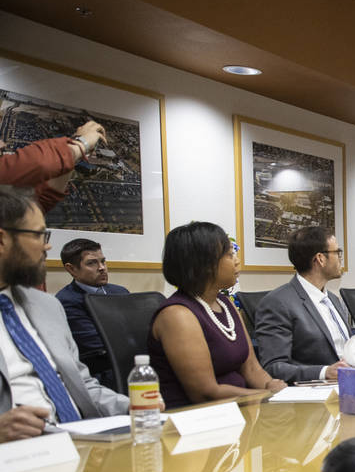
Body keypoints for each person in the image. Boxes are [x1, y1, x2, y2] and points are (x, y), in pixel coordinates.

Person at [0, 185, 127, 442]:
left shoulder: (47, 306)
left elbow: (81, 384)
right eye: (38, 235)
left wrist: (130, 406)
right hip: (19, 457)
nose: (47, 248)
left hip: (85, 443)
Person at [147, 222, 285, 409]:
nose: (237, 261)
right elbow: (205, 393)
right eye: (229, 255)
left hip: (239, 410)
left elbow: (252, 369)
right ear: (203, 264)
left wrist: (273, 386)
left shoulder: (226, 304)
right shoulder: (177, 315)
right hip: (195, 421)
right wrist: (266, 395)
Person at [254, 226, 353, 383]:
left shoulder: (333, 299)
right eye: (337, 252)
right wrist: (325, 372)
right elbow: (274, 367)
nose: (341, 258)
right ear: (320, 258)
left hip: (349, 386)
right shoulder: (278, 303)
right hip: (312, 397)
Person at [54, 237, 130, 389]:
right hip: (102, 374)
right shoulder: (66, 301)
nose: (102, 268)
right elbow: (98, 345)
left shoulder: (120, 292)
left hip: (131, 364)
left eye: (103, 261)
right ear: (71, 269)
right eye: (92, 263)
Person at [0, 120, 107, 214]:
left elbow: (46, 198)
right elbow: (41, 164)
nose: (3, 144)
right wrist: (81, 143)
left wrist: (76, 146)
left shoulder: (21, 213)